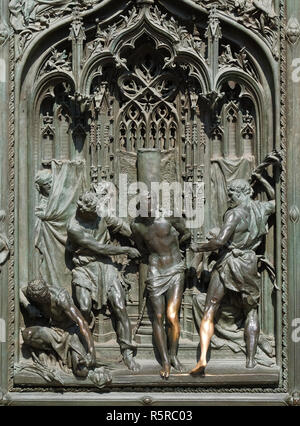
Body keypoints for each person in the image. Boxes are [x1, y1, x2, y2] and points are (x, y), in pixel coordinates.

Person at [190, 152, 280, 374]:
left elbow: (220, 241)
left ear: (240, 193)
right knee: (251, 311)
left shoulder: (234, 215)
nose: (228, 196)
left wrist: (198, 247)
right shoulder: (261, 209)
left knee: (210, 307)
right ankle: (250, 361)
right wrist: (262, 181)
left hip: (229, 262)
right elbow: (277, 202)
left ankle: (202, 358)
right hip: (249, 262)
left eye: (231, 193)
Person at [67, 191, 141, 372]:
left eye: (96, 212)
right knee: (84, 307)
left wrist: (142, 238)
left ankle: (127, 351)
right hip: (85, 267)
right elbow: (98, 247)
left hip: (106, 267)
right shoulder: (74, 227)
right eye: (91, 213)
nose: (96, 215)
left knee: (119, 304)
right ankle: (83, 346)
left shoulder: (101, 211)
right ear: (83, 210)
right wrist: (125, 250)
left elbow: (121, 227)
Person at [131, 194, 191, 379]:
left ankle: (173, 355)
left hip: (174, 268)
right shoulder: (136, 226)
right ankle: (165, 360)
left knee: (172, 316)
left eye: (151, 208)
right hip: (156, 269)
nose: (148, 213)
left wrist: (175, 249)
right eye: (144, 209)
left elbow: (186, 234)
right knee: (158, 316)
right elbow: (142, 248)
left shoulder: (170, 217)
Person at [20, 279, 100, 380]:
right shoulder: (32, 293)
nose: (45, 299)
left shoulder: (60, 297)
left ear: (47, 289)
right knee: (27, 334)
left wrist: (92, 352)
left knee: (82, 372)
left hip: (70, 333)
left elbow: (82, 322)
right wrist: (28, 306)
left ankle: (65, 353)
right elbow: (19, 291)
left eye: (46, 295)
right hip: (52, 331)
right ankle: (55, 352)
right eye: (41, 299)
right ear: (35, 298)